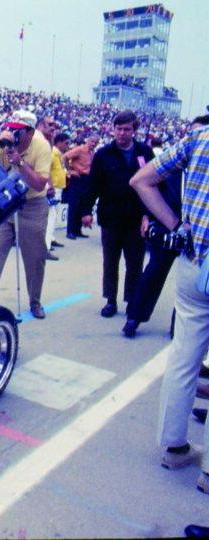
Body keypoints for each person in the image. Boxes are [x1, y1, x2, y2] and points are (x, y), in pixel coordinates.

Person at [130, 115, 209, 497]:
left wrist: (176, 224)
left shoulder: (199, 139)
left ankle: (174, 447)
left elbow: (141, 181)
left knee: (183, 355)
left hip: (194, 260)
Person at [123, 115, 209, 337]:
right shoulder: (173, 161)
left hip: (199, 235)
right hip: (168, 226)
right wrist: (146, 217)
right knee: (153, 273)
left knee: (191, 284)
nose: (196, 138)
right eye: (193, 133)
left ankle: (178, 328)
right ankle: (134, 318)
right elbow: (149, 188)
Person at [0, 110, 52, 320]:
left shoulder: (42, 146)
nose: (12, 134)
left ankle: (35, 301)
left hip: (33, 203)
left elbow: (39, 183)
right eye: (10, 129)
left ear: (29, 132)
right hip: (7, 203)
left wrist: (20, 163)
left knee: (35, 256)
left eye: (17, 131)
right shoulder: (6, 142)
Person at [82, 110, 155, 318]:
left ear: (135, 130)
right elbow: (93, 185)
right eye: (118, 128)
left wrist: (147, 215)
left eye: (127, 129)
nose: (122, 133)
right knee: (110, 261)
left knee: (135, 263)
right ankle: (110, 301)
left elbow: (153, 186)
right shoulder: (103, 155)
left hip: (136, 218)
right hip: (110, 217)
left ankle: (132, 301)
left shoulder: (145, 154)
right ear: (113, 129)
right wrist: (86, 211)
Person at [63, 135, 99, 239]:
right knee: (74, 204)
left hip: (86, 179)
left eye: (95, 142)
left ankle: (77, 229)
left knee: (81, 205)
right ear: (88, 140)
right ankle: (70, 231)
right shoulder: (79, 150)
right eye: (92, 141)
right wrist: (70, 170)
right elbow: (65, 157)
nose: (93, 144)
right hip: (77, 178)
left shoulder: (92, 152)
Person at [48, 132, 71, 254]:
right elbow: (46, 170)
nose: (68, 146)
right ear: (59, 143)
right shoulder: (52, 154)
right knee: (51, 216)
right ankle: (46, 244)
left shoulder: (58, 155)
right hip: (54, 187)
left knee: (55, 215)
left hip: (58, 187)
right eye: (66, 143)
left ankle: (51, 239)